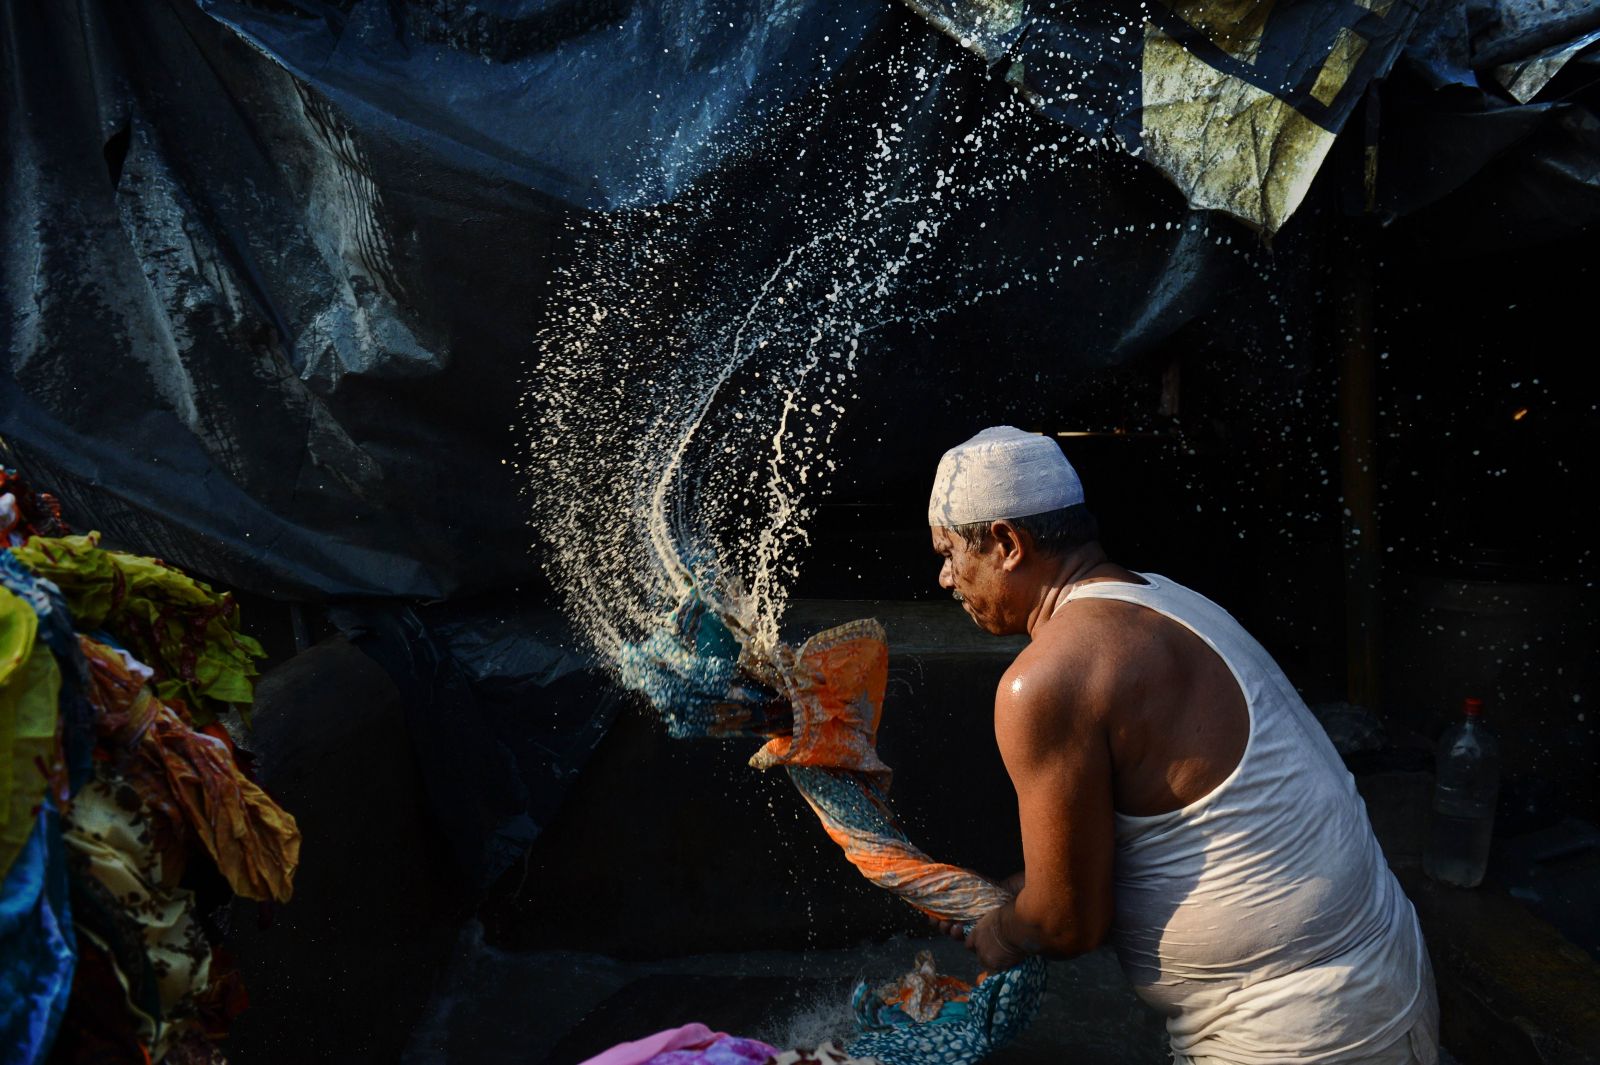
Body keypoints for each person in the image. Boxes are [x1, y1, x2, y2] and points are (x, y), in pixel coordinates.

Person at [926, 425, 1439, 1065]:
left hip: (1304, 1033)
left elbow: (1068, 923)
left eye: (949, 553)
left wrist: (1005, 930)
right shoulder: (1166, 599)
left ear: (1006, 543)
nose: (946, 579)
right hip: (1386, 975)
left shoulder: (1045, 679)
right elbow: (1181, 831)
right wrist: (1019, 890)